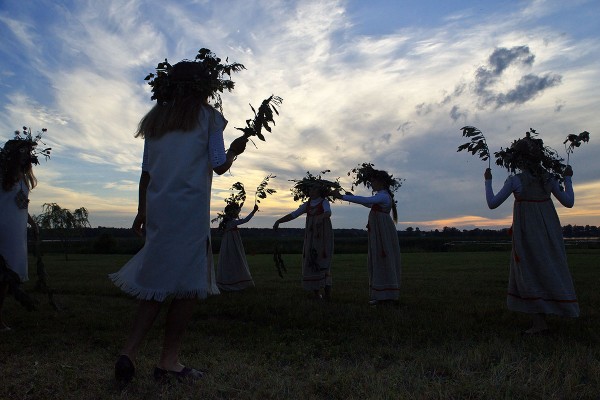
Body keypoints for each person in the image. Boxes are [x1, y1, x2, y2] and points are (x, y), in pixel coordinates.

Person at [109, 50, 247, 385]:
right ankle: (168, 362)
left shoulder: (157, 119)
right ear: (203, 87)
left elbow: (145, 173)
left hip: (159, 209)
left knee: (155, 283)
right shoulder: (210, 118)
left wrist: (142, 211)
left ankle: (129, 351)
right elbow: (217, 163)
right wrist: (235, 151)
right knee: (187, 286)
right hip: (189, 211)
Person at [484, 133, 579, 334]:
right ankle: (546, 313)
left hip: (527, 231)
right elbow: (568, 202)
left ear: (517, 159)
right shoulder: (549, 178)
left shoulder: (515, 180)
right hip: (548, 229)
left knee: (530, 269)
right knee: (548, 265)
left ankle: (539, 321)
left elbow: (492, 204)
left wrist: (487, 181)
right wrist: (568, 179)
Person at [333, 168, 401, 306]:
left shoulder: (383, 195)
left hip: (382, 232)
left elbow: (367, 200)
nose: (372, 184)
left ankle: (387, 296)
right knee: (378, 259)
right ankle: (382, 295)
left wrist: (342, 197)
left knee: (383, 258)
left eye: (373, 182)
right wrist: (350, 196)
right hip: (378, 230)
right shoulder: (382, 196)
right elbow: (368, 203)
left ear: (381, 182)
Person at [0, 135, 41, 332]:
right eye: (24, 153)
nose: (28, 157)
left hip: (17, 233)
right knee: (2, 275)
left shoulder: (23, 178)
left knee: (9, 277)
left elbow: (21, 205)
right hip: (4, 229)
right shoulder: (2, 177)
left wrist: (32, 223)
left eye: (29, 153)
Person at [273, 183, 334, 300]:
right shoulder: (307, 204)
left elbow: (328, 212)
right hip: (311, 236)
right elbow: (294, 214)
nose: (311, 190)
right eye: (310, 188)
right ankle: (316, 293)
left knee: (323, 261)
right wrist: (279, 221)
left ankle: (327, 294)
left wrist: (320, 218)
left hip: (322, 236)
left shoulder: (324, 202)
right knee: (311, 259)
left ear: (319, 191)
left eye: (314, 188)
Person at [216, 203, 259, 291]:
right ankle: (234, 281)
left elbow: (236, 212)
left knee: (230, 261)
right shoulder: (231, 222)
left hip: (230, 243)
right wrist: (253, 211)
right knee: (235, 260)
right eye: (236, 211)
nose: (238, 213)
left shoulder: (227, 222)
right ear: (233, 212)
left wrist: (240, 206)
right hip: (232, 245)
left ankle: (229, 280)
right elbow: (245, 220)